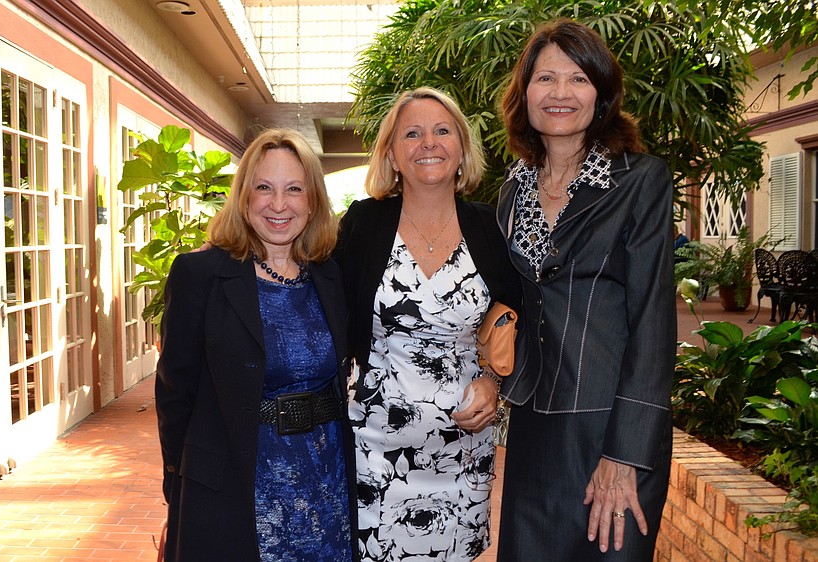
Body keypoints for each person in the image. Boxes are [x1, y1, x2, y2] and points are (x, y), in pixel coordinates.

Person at [494, 19, 676, 561]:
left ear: (601, 94)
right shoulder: (510, 192)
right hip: (533, 430)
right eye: (545, 78)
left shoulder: (640, 181)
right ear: (524, 92)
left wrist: (625, 453)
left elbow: (653, 322)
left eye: (577, 78)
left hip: (611, 429)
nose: (560, 93)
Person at [335, 87, 522, 561]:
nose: (428, 143)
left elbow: (521, 310)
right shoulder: (363, 222)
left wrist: (494, 381)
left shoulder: (489, 225)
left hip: (462, 443)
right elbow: (313, 285)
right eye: (412, 134)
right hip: (373, 444)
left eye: (442, 131)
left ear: (461, 147)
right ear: (392, 154)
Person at [155, 128, 357, 561]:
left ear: (313, 201)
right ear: (244, 197)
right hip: (234, 484)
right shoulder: (200, 276)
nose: (279, 204)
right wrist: (180, 480)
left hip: (325, 484)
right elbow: (175, 392)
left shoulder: (330, 276)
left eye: (294, 190)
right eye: (263, 187)